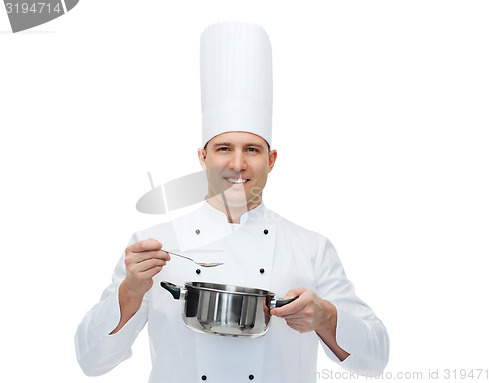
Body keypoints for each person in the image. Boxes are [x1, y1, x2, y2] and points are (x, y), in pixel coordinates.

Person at [75, 22, 389, 383]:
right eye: (224, 148)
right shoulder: (153, 247)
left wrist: (326, 317)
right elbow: (90, 362)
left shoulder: (311, 248)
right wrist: (129, 292)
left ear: (271, 160)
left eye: (251, 150)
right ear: (202, 157)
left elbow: (375, 359)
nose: (237, 164)